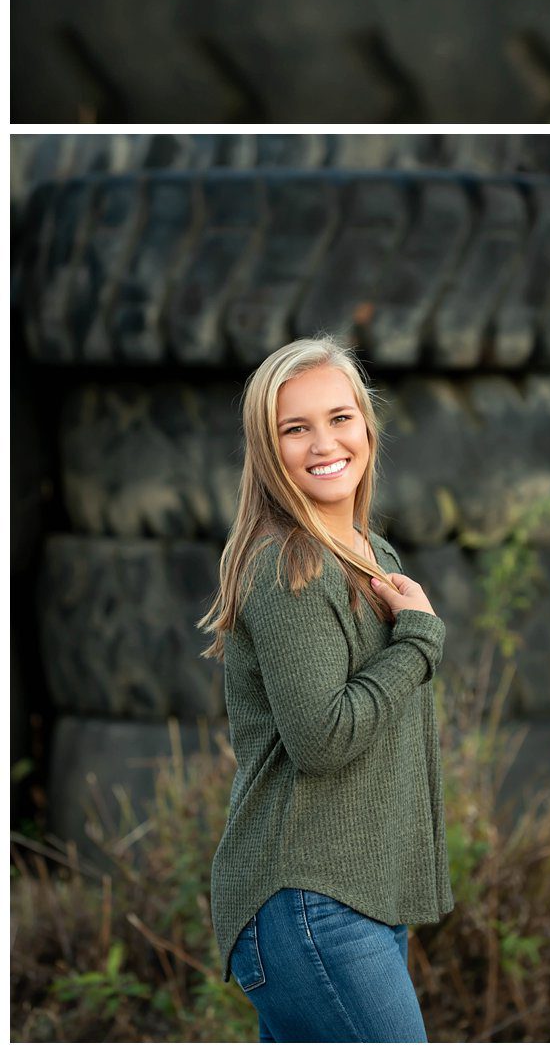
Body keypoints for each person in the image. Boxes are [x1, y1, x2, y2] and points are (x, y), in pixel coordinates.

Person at [202, 337, 450, 1042]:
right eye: (295, 428)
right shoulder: (294, 564)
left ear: (368, 426)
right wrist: (420, 642)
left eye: (340, 417)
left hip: (351, 903)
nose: (324, 442)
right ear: (266, 448)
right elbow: (324, 739)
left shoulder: (372, 555)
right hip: (311, 904)